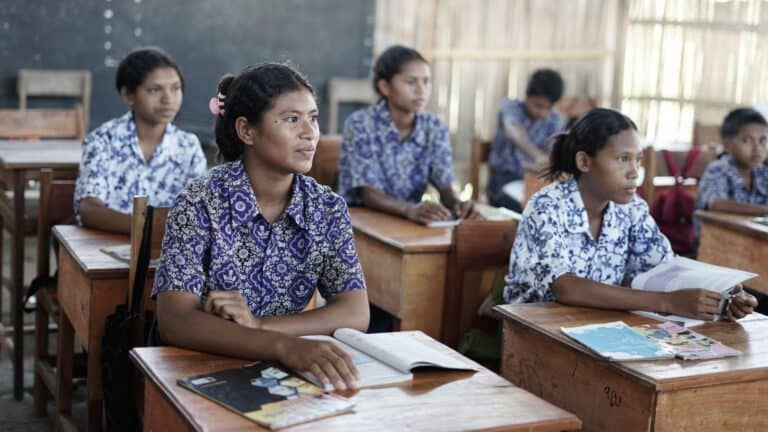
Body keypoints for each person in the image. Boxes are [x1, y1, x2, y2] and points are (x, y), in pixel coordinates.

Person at [153, 63, 370, 391]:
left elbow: (355, 312)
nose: (310, 132)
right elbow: (175, 321)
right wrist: (283, 346)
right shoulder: (200, 201)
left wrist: (262, 326)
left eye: (313, 117)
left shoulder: (327, 208)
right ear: (247, 131)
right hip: (199, 365)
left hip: (285, 374)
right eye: (291, 119)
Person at [503, 108, 756, 321]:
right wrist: (667, 302)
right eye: (623, 159)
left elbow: (665, 268)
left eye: (638, 160)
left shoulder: (632, 208)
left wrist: (719, 295)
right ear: (584, 162)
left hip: (598, 324)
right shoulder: (547, 206)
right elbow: (565, 287)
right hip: (534, 328)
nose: (634, 172)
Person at [337, 45, 479, 224]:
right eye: (410, 82)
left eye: (426, 81)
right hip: (360, 221)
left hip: (407, 221)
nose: (421, 90)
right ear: (385, 87)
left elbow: (445, 186)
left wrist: (458, 205)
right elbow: (368, 194)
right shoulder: (360, 124)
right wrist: (409, 209)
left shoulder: (434, 127)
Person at [74, 47, 207, 233]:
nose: (168, 99)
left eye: (175, 88)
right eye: (154, 90)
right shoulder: (102, 140)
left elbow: (199, 212)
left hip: (167, 254)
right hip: (104, 250)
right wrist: (146, 230)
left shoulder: (188, 146)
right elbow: (89, 209)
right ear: (128, 95)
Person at [486, 69, 564, 211]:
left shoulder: (553, 118)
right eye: (538, 105)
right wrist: (538, 156)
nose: (542, 112)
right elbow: (514, 133)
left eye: (548, 107)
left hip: (535, 182)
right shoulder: (510, 107)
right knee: (531, 207)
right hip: (502, 182)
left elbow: (555, 144)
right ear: (527, 96)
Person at [696, 107, 768, 216]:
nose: (757, 148)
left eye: (763, 141)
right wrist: (764, 210)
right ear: (727, 145)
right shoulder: (718, 169)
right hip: (716, 232)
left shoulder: (763, 172)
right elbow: (715, 203)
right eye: (747, 141)